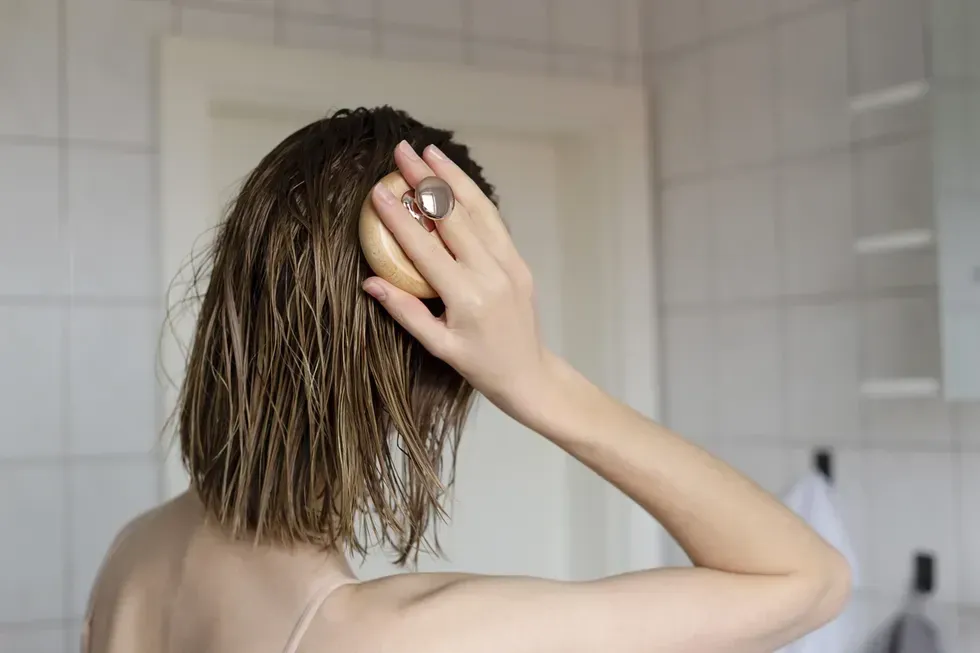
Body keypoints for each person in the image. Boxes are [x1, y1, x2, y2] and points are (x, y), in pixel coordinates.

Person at [83, 107, 851, 653]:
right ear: (438, 365)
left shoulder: (138, 555)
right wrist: (537, 379)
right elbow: (807, 579)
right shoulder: (400, 637)